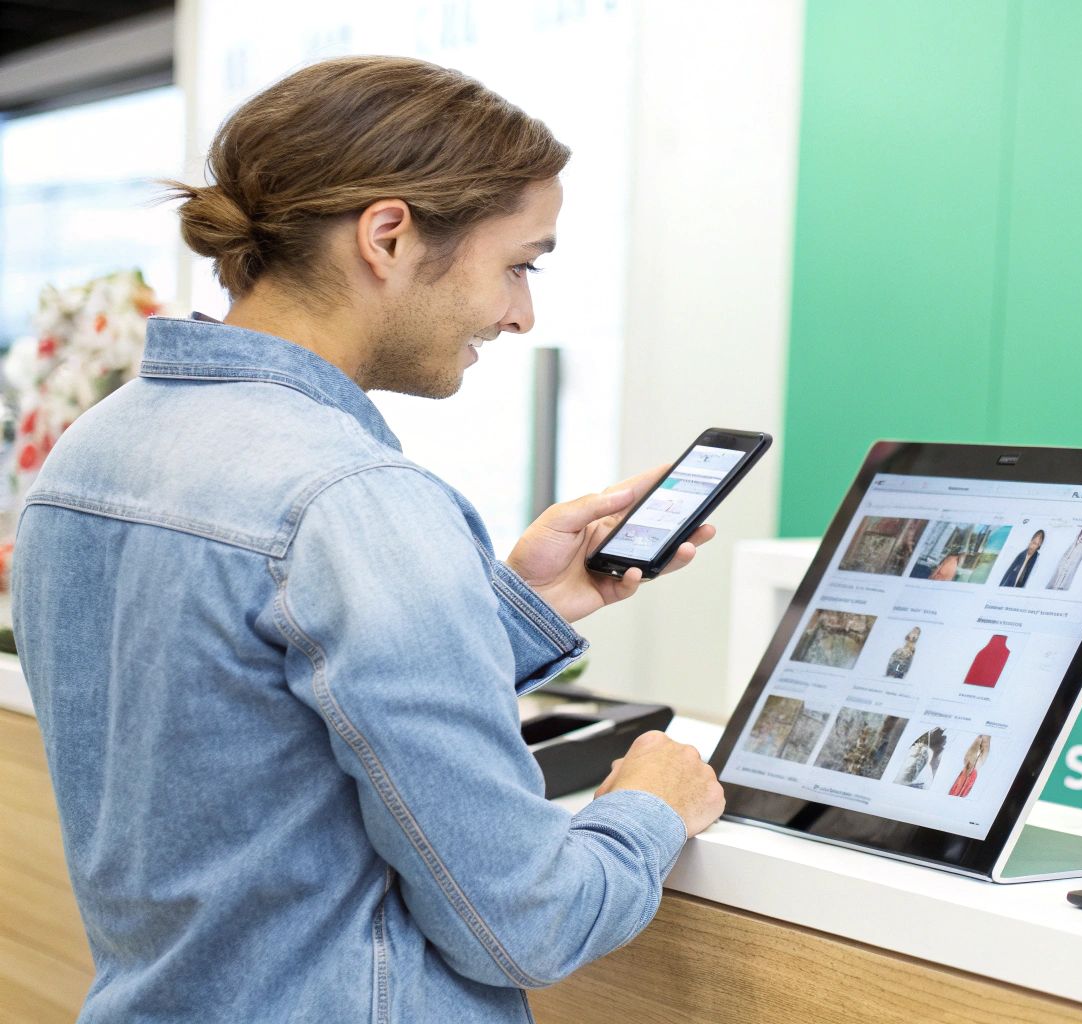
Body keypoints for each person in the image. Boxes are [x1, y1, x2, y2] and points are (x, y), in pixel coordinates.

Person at [11, 56, 725, 1022]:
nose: (522, 314)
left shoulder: (95, 450)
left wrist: (510, 605)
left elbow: (244, 723)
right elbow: (527, 922)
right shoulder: (350, 500)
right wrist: (650, 801)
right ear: (387, 236)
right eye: (520, 263)